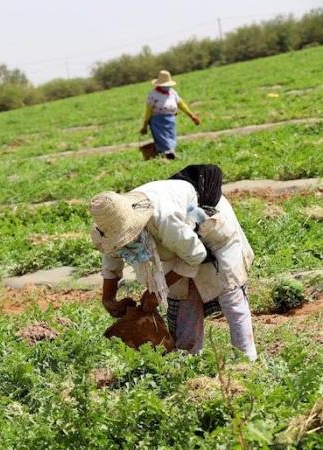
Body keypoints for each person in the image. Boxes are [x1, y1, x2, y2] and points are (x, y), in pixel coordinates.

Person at [89, 166, 257, 361]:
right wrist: (108, 298)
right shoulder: (110, 228)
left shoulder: (164, 219)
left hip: (209, 226)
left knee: (230, 293)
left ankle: (246, 361)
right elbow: (111, 256)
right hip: (176, 245)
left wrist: (158, 290)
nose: (122, 244)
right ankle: (188, 360)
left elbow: (196, 255)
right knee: (183, 297)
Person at [140, 70, 201, 159]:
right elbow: (148, 110)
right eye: (165, 85)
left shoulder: (172, 93)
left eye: (168, 85)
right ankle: (168, 154)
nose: (167, 87)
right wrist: (145, 125)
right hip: (157, 121)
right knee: (163, 139)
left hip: (170, 120)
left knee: (171, 138)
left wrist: (192, 115)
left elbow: (181, 104)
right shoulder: (153, 95)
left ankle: (167, 154)